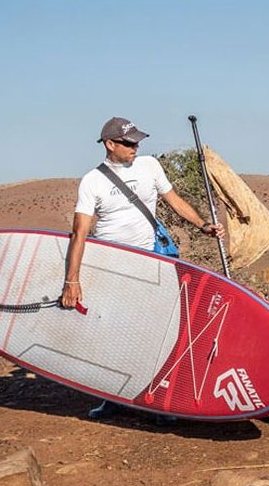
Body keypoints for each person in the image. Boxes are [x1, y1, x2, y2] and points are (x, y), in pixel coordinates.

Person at [61, 116, 224, 420]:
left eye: (137, 141)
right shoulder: (92, 181)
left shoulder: (150, 166)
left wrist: (204, 225)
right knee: (113, 332)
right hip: (111, 265)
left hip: (150, 259)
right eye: (129, 142)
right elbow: (80, 232)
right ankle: (114, 397)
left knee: (156, 330)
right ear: (110, 144)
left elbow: (173, 200)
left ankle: (159, 400)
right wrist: (72, 280)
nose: (136, 146)